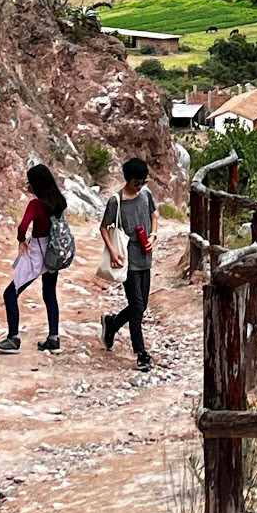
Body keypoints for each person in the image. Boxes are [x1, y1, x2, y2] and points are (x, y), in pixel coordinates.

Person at [0, 164, 67, 356]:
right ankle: (53, 338)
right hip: (54, 251)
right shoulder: (59, 202)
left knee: (10, 293)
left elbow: (23, 226)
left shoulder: (36, 204)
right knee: (49, 293)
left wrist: (21, 241)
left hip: (37, 251)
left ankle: (13, 338)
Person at [100, 156, 157, 372]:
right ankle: (141, 352)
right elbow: (104, 227)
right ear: (127, 179)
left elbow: (154, 216)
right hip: (128, 258)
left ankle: (112, 324)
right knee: (137, 306)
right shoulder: (116, 201)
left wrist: (154, 236)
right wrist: (113, 251)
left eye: (143, 182)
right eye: (136, 183)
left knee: (141, 306)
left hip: (146, 256)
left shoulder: (146, 195)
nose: (140, 186)